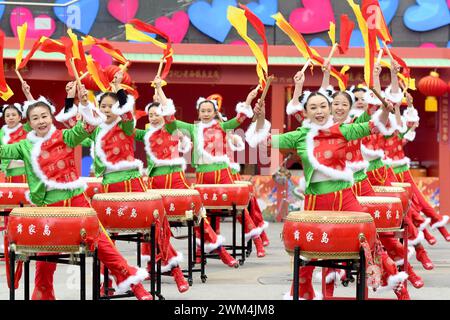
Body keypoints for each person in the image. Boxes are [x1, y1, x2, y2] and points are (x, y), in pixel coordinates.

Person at [248, 89, 408, 300]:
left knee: (370, 238)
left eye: (323, 106)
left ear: (329, 108)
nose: (319, 111)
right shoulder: (299, 136)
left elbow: (371, 127)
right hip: (315, 200)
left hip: (345, 197)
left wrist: (385, 112)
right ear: (305, 112)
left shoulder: (341, 130)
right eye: (313, 107)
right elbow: (267, 140)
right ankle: (303, 290)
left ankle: (399, 288)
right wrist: (259, 118)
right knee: (306, 249)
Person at [0, 83, 152, 300]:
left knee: (102, 244)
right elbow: (2, 151)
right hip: (47, 207)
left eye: (44, 116)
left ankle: (132, 282)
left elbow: (87, 128)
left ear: (51, 117)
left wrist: (83, 102)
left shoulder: (65, 137)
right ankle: (43, 293)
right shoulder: (23, 146)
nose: (41, 121)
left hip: (76, 201)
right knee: (45, 257)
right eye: (35, 118)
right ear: (29, 123)